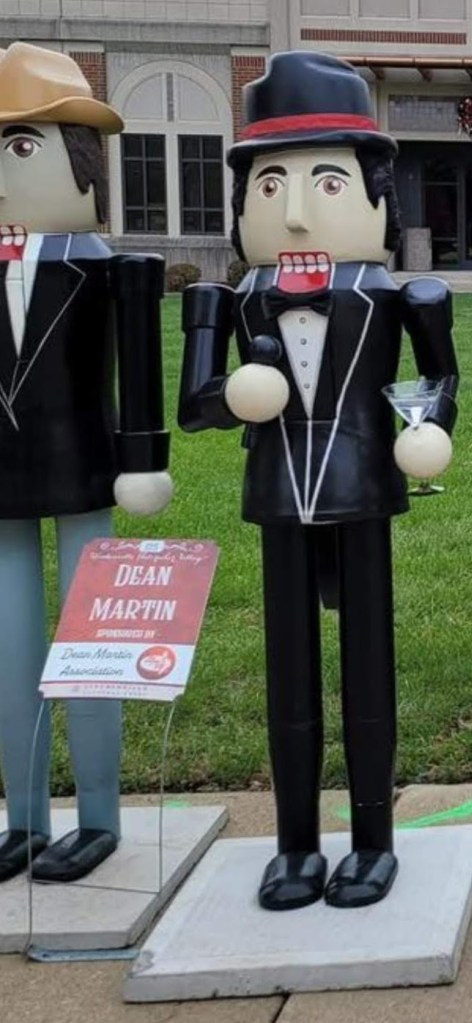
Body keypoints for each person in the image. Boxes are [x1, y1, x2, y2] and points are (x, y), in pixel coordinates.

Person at [178, 51, 458, 910]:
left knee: (368, 664)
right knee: (288, 670)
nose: (295, 213)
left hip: (363, 482)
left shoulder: (404, 297)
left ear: (378, 196)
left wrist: (430, 427)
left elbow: (438, 379)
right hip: (277, 490)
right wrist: (233, 394)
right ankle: (294, 842)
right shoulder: (229, 299)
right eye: (271, 186)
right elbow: (195, 404)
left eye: (325, 183)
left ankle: (373, 840)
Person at [0, 42, 172, 884]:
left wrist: (144, 458)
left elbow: (139, 372)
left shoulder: (107, 270)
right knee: (9, 647)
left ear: (83, 162)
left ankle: (98, 813)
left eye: (19, 147)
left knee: (92, 641)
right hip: (2, 478)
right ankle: (25, 816)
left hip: (87, 467)